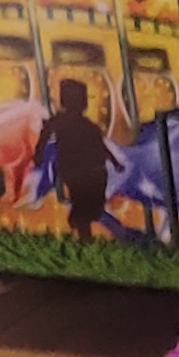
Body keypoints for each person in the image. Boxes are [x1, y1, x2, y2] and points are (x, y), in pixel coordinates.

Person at [48, 77, 116, 241]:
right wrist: (38, 155)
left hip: (92, 169)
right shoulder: (60, 121)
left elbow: (100, 145)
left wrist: (115, 162)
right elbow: (45, 135)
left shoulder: (88, 126)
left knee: (93, 201)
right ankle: (82, 230)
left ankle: (80, 222)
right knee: (81, 199)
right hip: (74, 169)